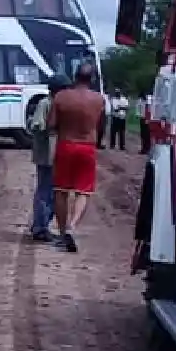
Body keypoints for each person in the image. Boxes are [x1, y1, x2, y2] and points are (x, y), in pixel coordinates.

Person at [47, 62, 105, 252]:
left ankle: (63, 233)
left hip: (66, 144)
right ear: (92, 78)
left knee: (61, 191)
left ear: (74, 76)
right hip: (87, 146)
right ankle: (73, 226)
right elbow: (102, 125)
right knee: (84, 191)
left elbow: (51, 124)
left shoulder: (61, 97)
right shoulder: (99, 99)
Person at [28, 74, 70, 241]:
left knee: (52, 192)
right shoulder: (46, 103)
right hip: (47, 156)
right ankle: (40, 227)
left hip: (53, 155)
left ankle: (41, 224)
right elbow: (37, 125)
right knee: (46, 192)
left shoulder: (56, 104)